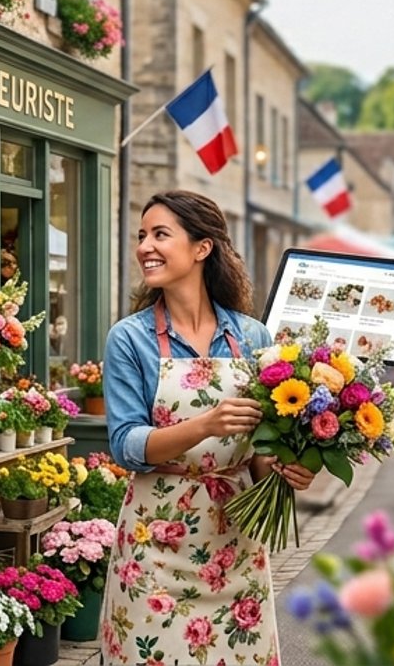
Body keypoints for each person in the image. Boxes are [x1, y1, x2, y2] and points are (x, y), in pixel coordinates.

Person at [100, 190, 312, 666]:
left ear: (202, 248)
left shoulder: (251, 338)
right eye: (141, 236)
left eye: (160, 234)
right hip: (153, 545)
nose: (145, 247)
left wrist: (288, 470)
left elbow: (260, 448)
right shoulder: (129, 338)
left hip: (234, 545)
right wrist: (204, 425)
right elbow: (126, 444)